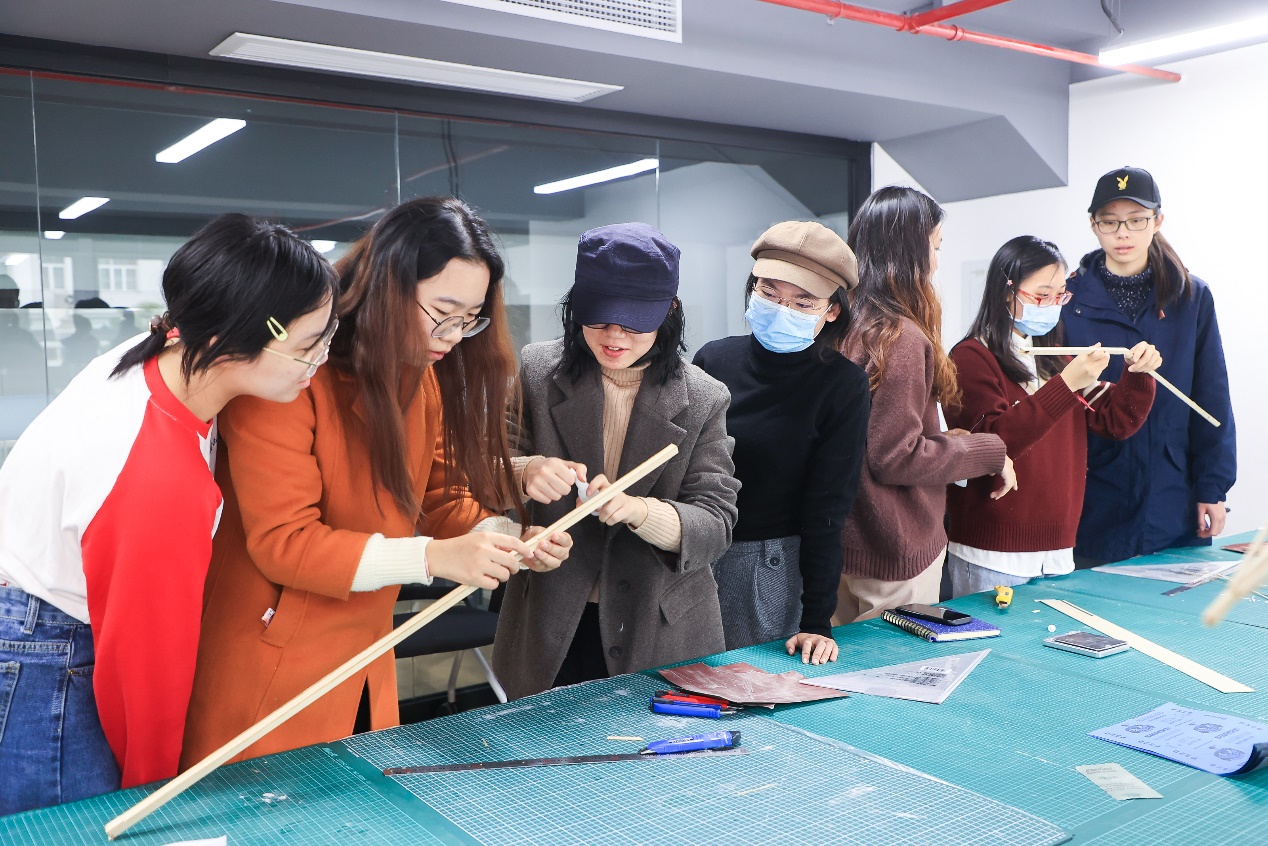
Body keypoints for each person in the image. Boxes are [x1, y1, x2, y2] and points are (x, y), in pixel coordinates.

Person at [181, 198, 572, 767]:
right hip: (272, 659)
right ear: (388, 285)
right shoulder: (288, 377)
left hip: (364, 655)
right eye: (443, 311)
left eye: (471, 319)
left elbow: (438, 496)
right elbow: (285, 543)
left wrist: (503, 539)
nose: (454, 335)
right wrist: (434, 557)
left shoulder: (419, 373)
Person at [0, 214, 338, 812]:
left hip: (33, 616)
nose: (320, 362)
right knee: (81, 827)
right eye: (309, 345)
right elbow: (146, 672)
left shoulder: (160, 352)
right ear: (236, 335)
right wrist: (156, 790)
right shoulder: (154, 473)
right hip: (50, 655)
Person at [493, 222, 739, 700]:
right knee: (540, 743)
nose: (613, 336)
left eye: (633, 322)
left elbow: (715, 524)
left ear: (669, 311)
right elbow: (482, 471)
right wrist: (524, 473)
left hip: (660, 629)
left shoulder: (704, 397)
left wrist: (640, 512)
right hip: (549, 621)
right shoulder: (538, 371)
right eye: (599, 318)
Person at [834, 186, 1016, 624]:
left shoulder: (841, 325)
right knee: (894, 665)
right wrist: (989, 450)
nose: (936, 262)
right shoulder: (899, 337)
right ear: (909, 253)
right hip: (893, 555)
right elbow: (896, 456)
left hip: (841, 547)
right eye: (934, 248)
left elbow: (869, 438)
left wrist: (941, 436)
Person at [693, 221, 869, 665]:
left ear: (832, 311)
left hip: (767, 563)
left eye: (802, 302)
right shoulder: (713, 359)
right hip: (693, 550)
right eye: (769, 293)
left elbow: (828, 507)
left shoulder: (842, 385)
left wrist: (817, 620)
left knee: (752, 685)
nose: (780, 309)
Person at [945, 236, 1160, 597]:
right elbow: (995, 443)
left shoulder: (1054, 357)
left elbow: (1117, 421)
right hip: (993, 551)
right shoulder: (971, 357)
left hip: (1058, 551)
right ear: (1006, 291)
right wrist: (1066, 384)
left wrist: (1138, 374)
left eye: (1060, 296)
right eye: (1042, 296)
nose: (1052, 306)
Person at [1064, 167, 1236, 564]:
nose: (1122, 233)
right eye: (1110, 221)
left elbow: (1212, 396)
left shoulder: (1190, 296)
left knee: (1172, 600)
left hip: (1171, 489)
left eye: (1137, 220)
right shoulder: (1068, 300)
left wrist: (1212, 487)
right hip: (1093, 491)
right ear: (1093, 225)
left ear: (1157, 221)